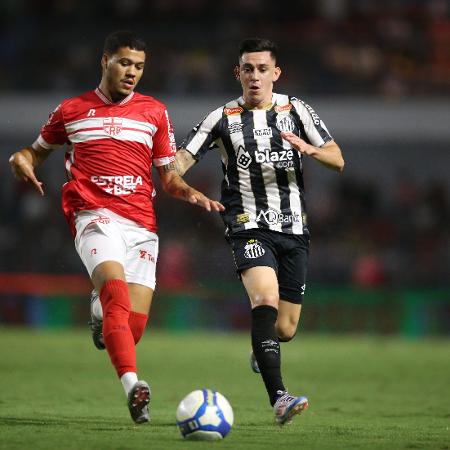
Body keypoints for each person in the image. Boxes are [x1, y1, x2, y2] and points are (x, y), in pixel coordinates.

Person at [9, 30, 223, 424]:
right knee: (115, 295)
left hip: (141, 224)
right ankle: (134, 388)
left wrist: (189, 191)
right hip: (93, 215)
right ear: (104, 60)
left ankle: (99, 312)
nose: (132, 72)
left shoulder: (155, 112)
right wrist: (20, 159)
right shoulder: (71, 110)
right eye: (124, 62)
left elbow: (169, 178)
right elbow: (33, 153)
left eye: (139, 66)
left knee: (130, 327)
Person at [176, 37, 344, 426]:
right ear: (238, 73)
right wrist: (174, 180)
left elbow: (338, 159)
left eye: (262, 69)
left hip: (294, 230)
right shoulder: (220, 118)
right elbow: (181, 159)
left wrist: (311, 150)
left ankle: (264, 347)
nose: (255, 76)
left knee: (284, 328)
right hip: (247, 225)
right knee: (264, 299)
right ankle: (279, 398)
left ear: (276, 73)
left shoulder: (296, 110)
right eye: (247, 69)